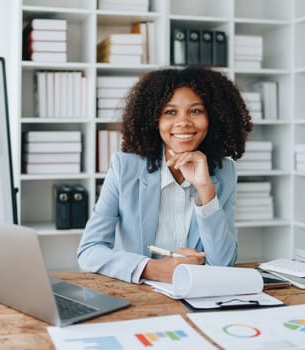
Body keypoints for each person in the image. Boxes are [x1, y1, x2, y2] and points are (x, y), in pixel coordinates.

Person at [77, 66, 253, 283]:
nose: (183, 122)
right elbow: (89, 251)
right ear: (154, 120)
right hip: (138, 295)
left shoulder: (224, 172)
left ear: (214, 117)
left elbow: (223, 264)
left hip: (196, 293)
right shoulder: (125, 168)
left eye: (196, 111)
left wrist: (206, 191)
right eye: (170, 112)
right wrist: (155, 269)